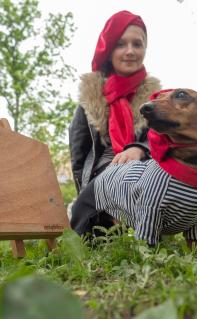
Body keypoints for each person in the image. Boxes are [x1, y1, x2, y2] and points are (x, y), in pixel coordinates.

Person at [69, 10, 161, 232]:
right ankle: (99, 217)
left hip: (145, 170)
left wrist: (139, 148)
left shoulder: (156, 100)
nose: (130, 51)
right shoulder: (90, 96)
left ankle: (143, 223)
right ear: (109, 50)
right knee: (90, 233)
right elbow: (78, 154)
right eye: (121, 44)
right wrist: (83, 192)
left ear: (144, 49)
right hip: (102, 173)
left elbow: (163, 140)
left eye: (137, 44)